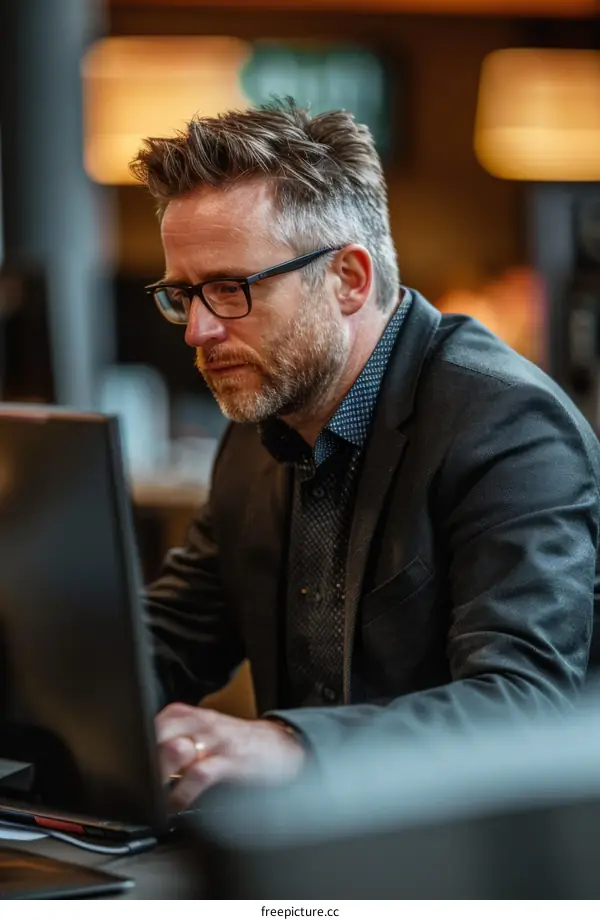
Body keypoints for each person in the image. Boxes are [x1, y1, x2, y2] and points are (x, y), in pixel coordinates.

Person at [131, 99, 600, 811]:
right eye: (183, 295)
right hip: (322, 853)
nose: (197, 331)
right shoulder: (259, 425)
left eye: (230, 290)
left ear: (348, 279)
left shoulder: (510, 427)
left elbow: (520, 705)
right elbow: (175, 635)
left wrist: (285, 746)